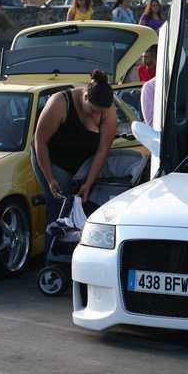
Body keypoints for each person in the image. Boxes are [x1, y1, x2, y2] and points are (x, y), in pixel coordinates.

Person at [32, 70, 117, 251]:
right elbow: (40, 141)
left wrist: (88, 182)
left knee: (84, 205)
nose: (97, 116)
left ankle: (77, 255)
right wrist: (50, 179)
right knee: (60, 208)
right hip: (53, 159)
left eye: (101, 113)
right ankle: (53, 260)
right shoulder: (59, 103)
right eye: (94, 111)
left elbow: (103, 150)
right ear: (85, 96)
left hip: (83, 163)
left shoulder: (107, 109)